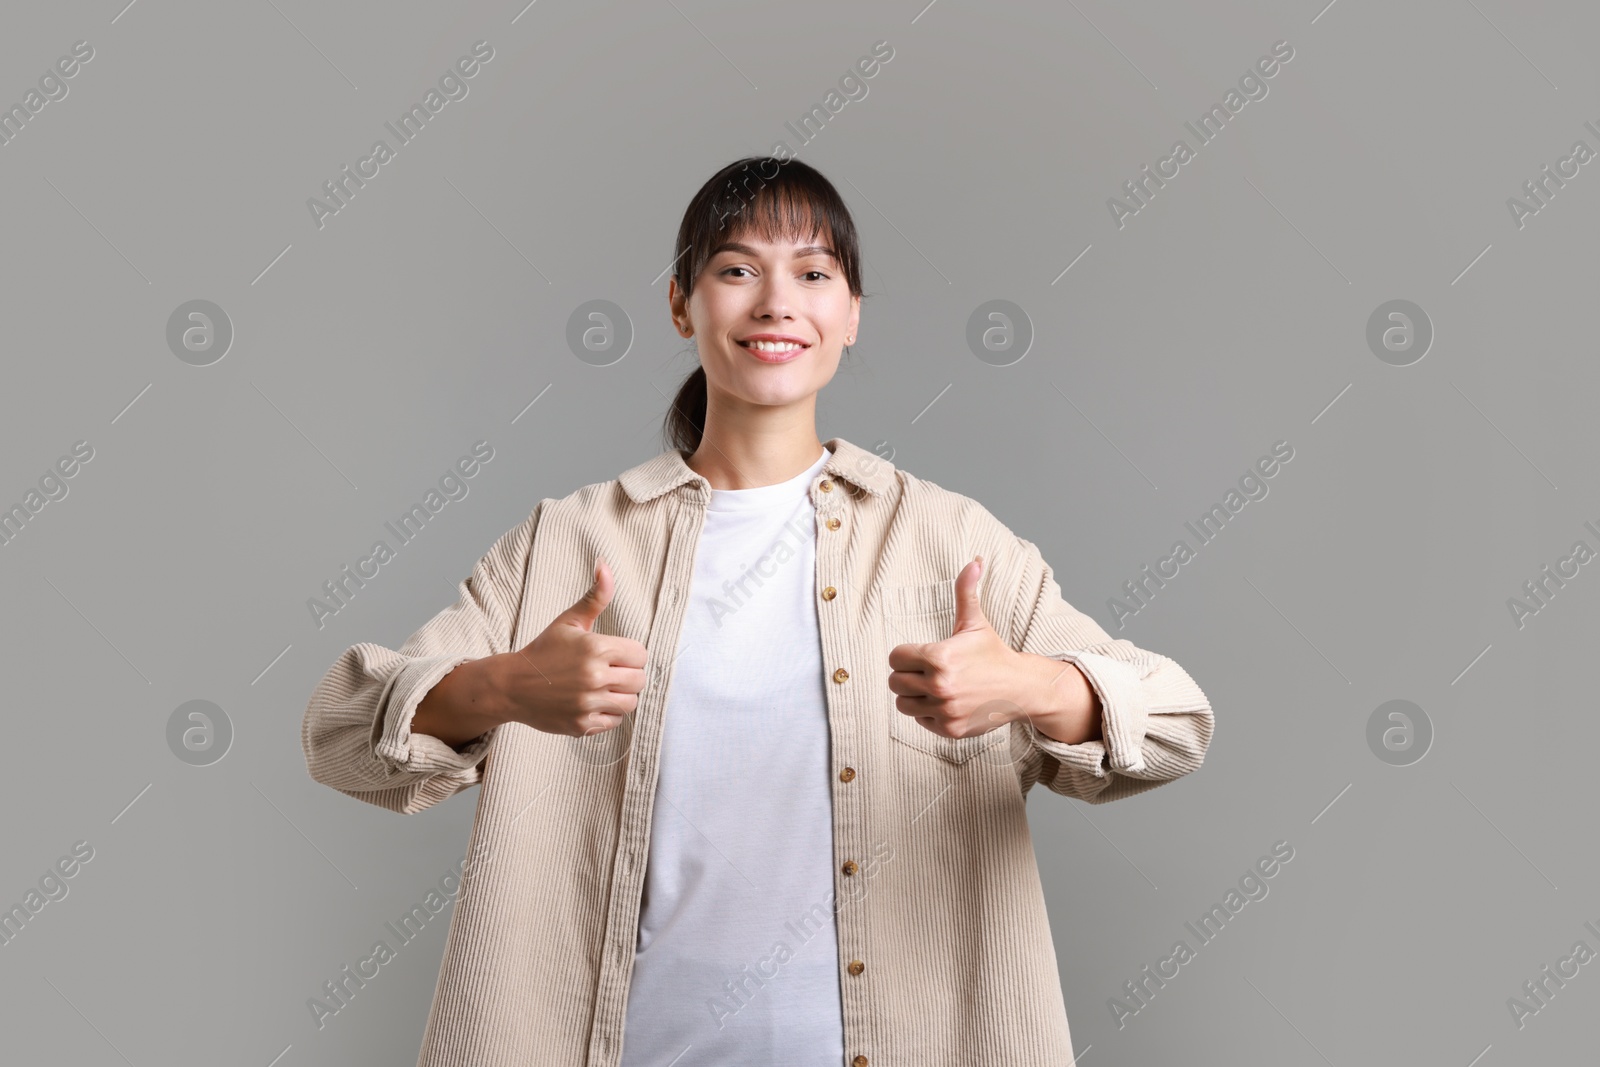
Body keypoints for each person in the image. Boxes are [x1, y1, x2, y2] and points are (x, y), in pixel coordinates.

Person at [301, 156, 1214, 1067]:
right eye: (737, 269)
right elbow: (341, 736)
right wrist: (499, 688)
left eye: (814, 274)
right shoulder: (566, 544)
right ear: (679, 304)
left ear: (852, 313)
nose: (777, 302)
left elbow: (1175, 722)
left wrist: (1031, 685)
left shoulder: (945, 541)